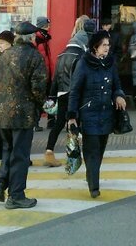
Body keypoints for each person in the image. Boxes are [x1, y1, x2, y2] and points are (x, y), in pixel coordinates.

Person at [0, 21, 48, 209]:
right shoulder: (34, 57)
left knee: (7, 150)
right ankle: (16, 195)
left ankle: (0, 183)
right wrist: (42, 106)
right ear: (32, 37)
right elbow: (38, 88)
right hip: (23, 115)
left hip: (2, 114)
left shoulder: (3, 56)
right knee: (20, 155)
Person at [67, 30, 128, 198]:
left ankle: (91, 177)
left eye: (108, 45)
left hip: (106, 114)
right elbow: (75, 91)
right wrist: (72, 116)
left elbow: (117, 85)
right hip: (89, 114)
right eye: (104, 45)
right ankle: (94, 185)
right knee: (92, 150)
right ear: (95, 47)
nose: (107, 48)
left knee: (100, 150)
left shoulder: (110, 63)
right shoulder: (83, 64)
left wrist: (119, 95)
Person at [43, 22, 89, 167]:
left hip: (61, 93)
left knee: (58, 124)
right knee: (75, 123)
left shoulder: (61, 55)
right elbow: (80, 78)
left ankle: (49, 150)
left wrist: (52, 96)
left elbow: (55, 78)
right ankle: (73, 155)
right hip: (75, 94)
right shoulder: (81, 55)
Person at [33, 17, 53, 132]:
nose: (49, 27)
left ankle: (47, 120)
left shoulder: (44, 38)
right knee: (40, 97)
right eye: (47, 25)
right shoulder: (38, 39)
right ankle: (36, 122)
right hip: (41, 73)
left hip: (46, 71)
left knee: (47, 96)